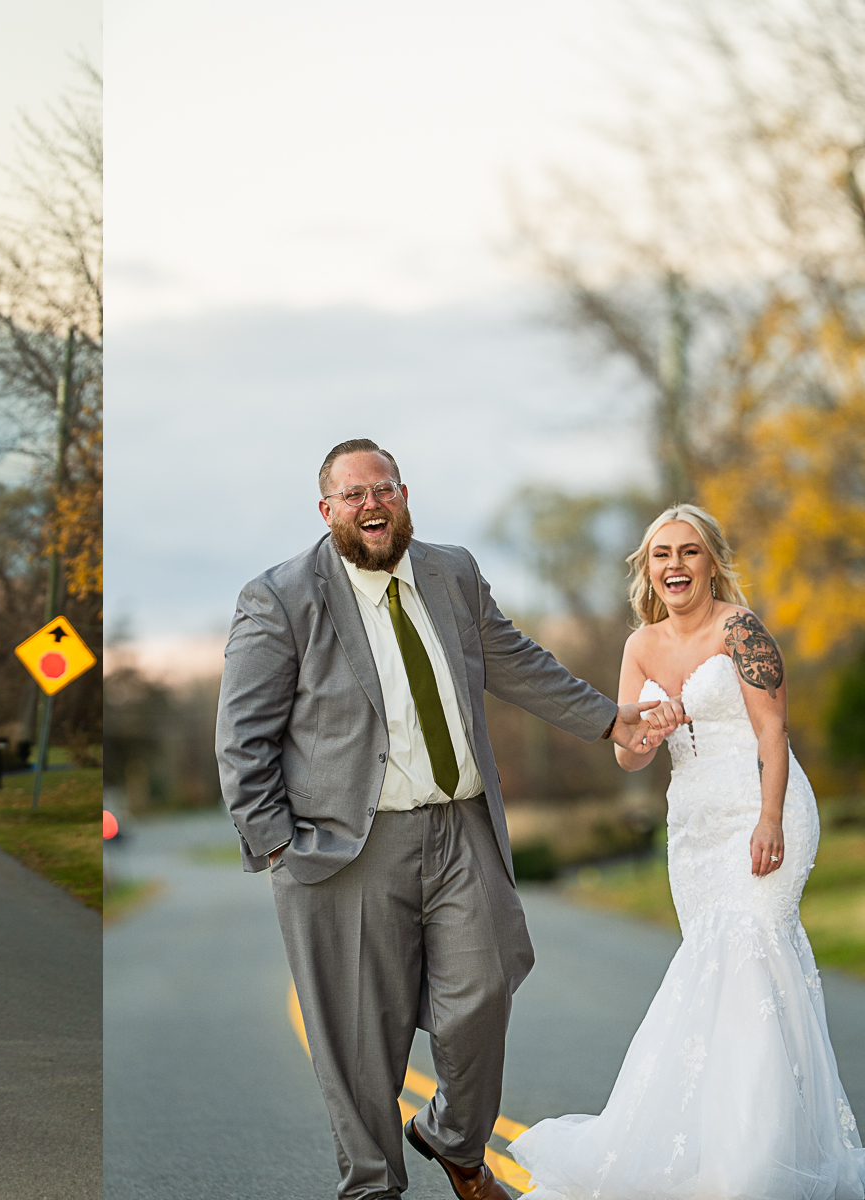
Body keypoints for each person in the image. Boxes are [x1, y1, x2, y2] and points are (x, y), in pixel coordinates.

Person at [215, 439, 672, 1200]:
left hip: (462, 827)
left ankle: (453, 1136)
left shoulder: (450, 571)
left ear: (402, 494)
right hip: (340, 851)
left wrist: (607, 720)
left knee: (485, 987)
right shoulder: (281, 597)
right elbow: (242, 736)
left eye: (383, 489)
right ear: (326, 510)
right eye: (353, 495)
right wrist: (276, 847)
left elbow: (515, 660)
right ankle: (372, 1186)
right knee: (360, 1042)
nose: (371, 505)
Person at [507, 504, 865, 1199]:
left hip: (760, 804)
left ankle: (755, 1163)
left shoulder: (740, 630)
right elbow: (628, 755)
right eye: (662, 554)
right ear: (647, 568)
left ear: (712, 561)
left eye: (690, 552)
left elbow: (773, 731)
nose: (676, 566)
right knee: (717, 980)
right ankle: (721, 1146)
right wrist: (646, 736)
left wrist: (771, 818)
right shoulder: (638, 647)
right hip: (692, 827)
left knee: (750, 957)